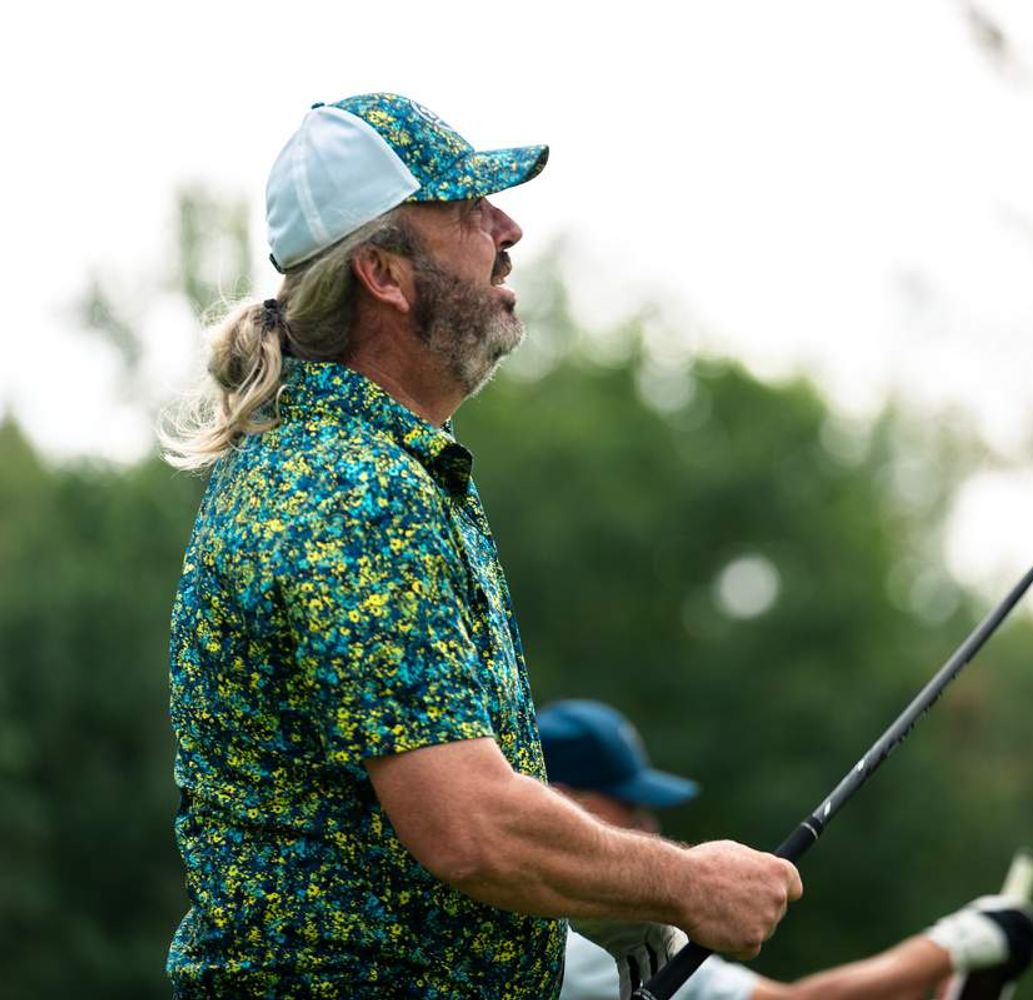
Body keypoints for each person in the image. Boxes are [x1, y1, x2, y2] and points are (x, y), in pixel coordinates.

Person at [161, 93, 802, 999]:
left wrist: (590, 891)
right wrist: (686, 883)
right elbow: (467, 825)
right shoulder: (352, 488)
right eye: (467, 210)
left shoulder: (350, 465)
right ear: (385, 274)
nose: (508, 230)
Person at [539, 699, 1033, 1000]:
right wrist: (960, 942)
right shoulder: (573, 944)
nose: (648, 826)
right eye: (630, 805)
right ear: (561, 801)